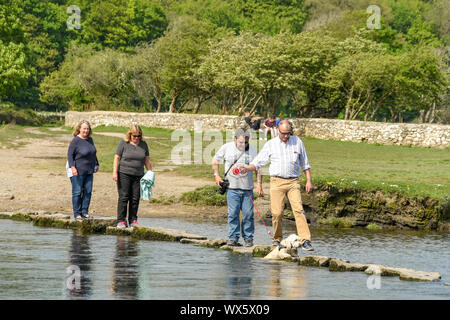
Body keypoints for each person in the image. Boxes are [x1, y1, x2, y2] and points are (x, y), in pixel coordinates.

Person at [239, 119, 314, 251]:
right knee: (277, 213)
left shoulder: (297, 142)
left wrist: (309, 180)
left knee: (298, 210)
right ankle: (277, 238)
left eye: (288, 133)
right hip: (276, 182)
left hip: (293, 182)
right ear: (278, 130)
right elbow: (258, 161)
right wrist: (247, 168)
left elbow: (305, 163)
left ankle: (306, 240)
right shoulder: (271, 144)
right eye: (283, 133)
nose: (286, 136)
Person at [212, 128, 263, 247]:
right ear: (235, 139)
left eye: (245, 142)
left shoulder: (253, 150)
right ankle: (233, 238)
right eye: (240, 142)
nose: (243, 145)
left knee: (248, 214)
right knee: (233, 214)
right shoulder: (226, 147)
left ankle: (248, 238)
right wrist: (216, 176)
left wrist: (259, 183)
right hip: (231, 188)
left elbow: (258, 167)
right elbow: (215, 160)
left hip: (248, 189)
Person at [113, 124, 152, 228]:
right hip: (124, 173)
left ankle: (133, 220)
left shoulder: (143, 145)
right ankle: (121, 220)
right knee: (124, 197)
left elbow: (147, 160)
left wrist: (150, 173)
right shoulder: (123, 143)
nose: (136, 138)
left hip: (138, 175)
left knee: (135, 198)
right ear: (130, 134)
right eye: (134, 136)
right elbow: (117, 157)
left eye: (138, 136)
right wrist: (114, 172)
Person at [67, 120, 99, 220]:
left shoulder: (90, 140)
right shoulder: (75, 140)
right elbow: (70, 155)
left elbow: (93, 153)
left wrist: (96, 164)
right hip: (77, 171)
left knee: (88, 192)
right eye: (84, 128)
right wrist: (73, 168)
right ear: (79, 129)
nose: (86, 130)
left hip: (89, 171)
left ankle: (84, 212)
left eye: (87, 129)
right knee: (77, 192)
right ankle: (77, 213)